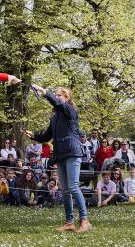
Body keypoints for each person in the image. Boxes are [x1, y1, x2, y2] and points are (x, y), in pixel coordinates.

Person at [25, 84, 91, 233]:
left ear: (67, 98)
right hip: (60, 155)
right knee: (66, 190)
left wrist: (45, 93)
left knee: (73, 186)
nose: (56, 96)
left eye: (59, 95)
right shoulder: (55, 117)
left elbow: (56, 103)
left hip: (72, 152)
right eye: (55, 94)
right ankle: (69, 222)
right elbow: (47, 136)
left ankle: (85, 221)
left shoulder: (70, 110)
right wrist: (34, 135)